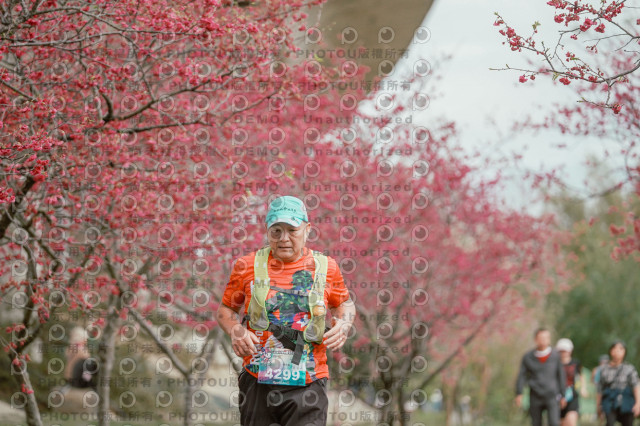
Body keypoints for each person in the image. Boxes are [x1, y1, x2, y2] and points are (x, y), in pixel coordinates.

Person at [216, 195, 355, 426]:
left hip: (309, 382)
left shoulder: (326, 268)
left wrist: (344, 323)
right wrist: (235, 331)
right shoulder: (247, 265)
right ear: (267, 231)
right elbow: (226, 310)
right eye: (276, 231)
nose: (284, 238)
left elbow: (345, 304)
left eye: (292, 230)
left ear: (307, 230)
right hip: (257, 380)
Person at [515, 328, 567, 426]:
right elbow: (522, 375)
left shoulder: (555, 356)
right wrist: (519, 393)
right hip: (535, 395)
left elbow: (561, 375)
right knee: (536, 423)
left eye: (546, 338)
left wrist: (563, 395)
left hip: (552, 395)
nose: (543, 340)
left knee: (554, 422)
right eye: (541, 338)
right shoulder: (528, 357)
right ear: (535, 339)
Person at [596, 341, 640, 426]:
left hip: (627, 401)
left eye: (621, 349)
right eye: (615, 348)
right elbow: (600, 389)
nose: (617, 351)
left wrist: (638, 403)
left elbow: (636, 386)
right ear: (611, 351)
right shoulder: (604, 370)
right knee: (609, 423)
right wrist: (598, 406)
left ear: (624, 352)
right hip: (610, 401)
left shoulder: (629, 369)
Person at [556, 338, 586, 426]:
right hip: (557, 396)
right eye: (561, 351)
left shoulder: (575, 363)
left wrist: (583, 388)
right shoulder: (554, 364)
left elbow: (581, 375)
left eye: (565, 351)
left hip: (571, 395)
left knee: (571, 421)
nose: (563, 353)